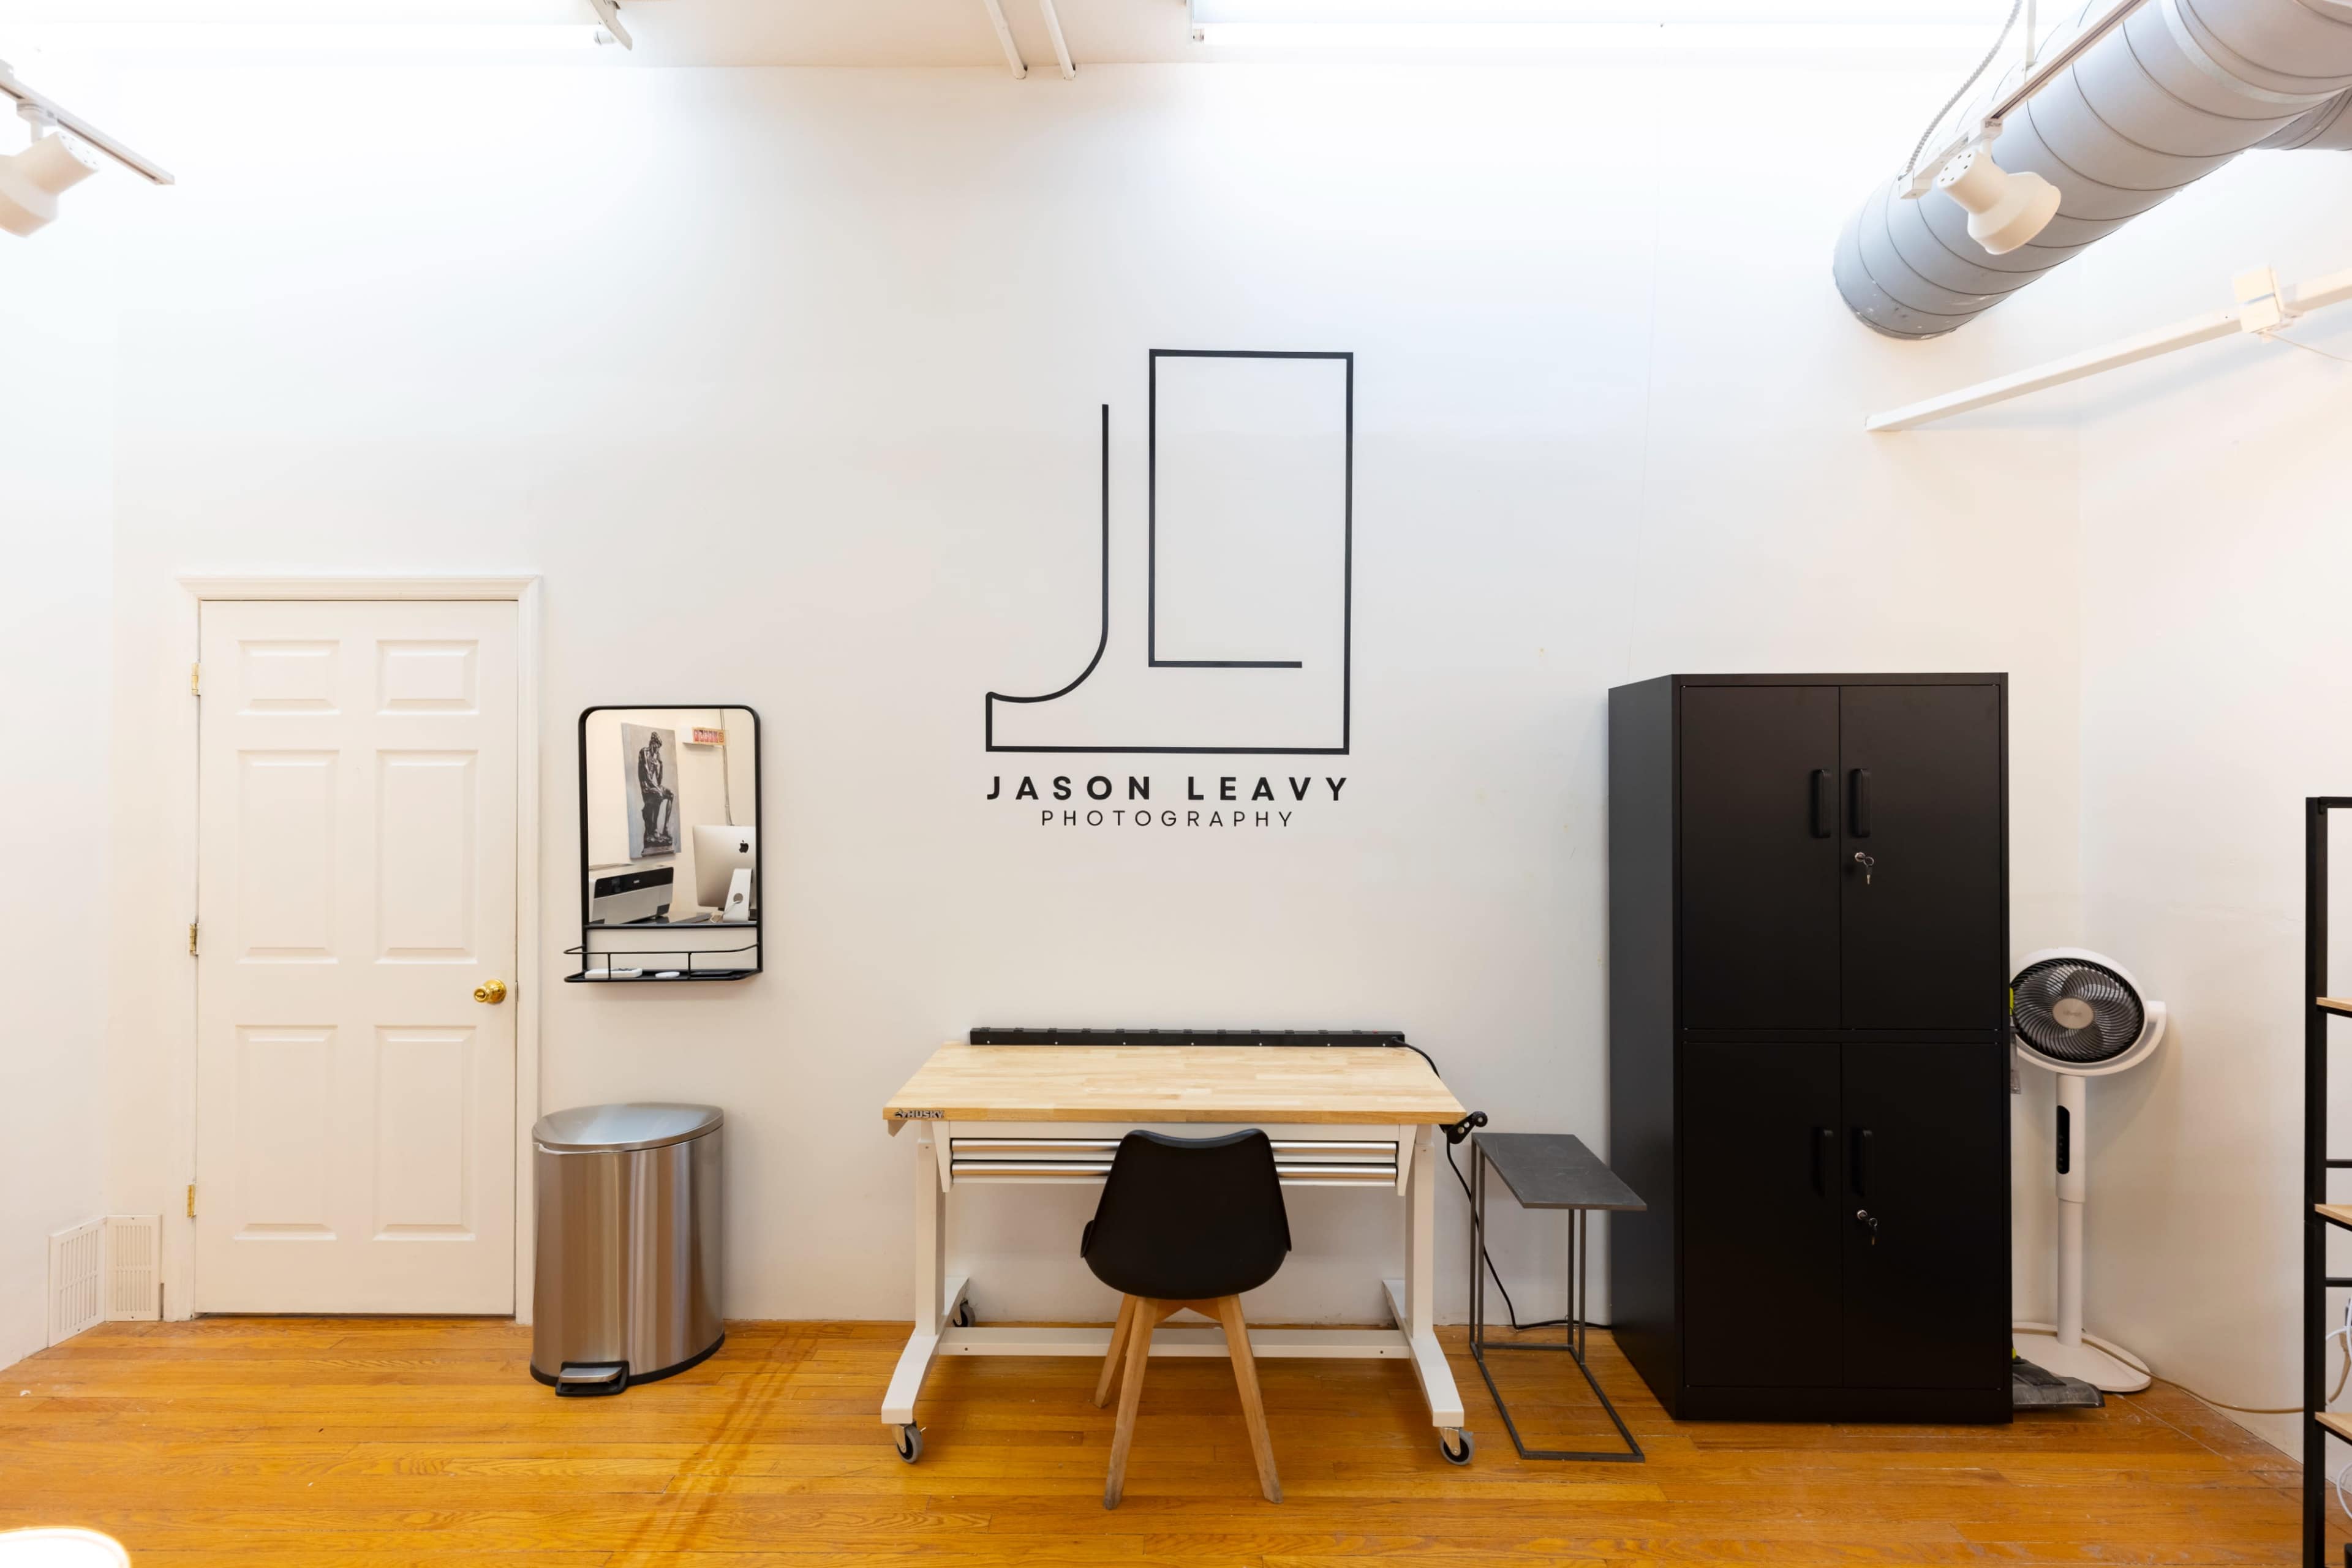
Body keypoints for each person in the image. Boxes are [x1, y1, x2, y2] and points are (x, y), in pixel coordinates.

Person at [637, 733, 676, 853]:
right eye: (657, 746)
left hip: (654, 787)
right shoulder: (644, 752)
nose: (657, 749)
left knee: (670, 794)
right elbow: (648, 777)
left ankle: (665, 828)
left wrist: (660, 766)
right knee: (659, 794)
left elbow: (659, 780)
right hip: (646, 788)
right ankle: (654, 829)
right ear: (653, 743)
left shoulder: (656, 756)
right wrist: (658, 788)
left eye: (659, 747)